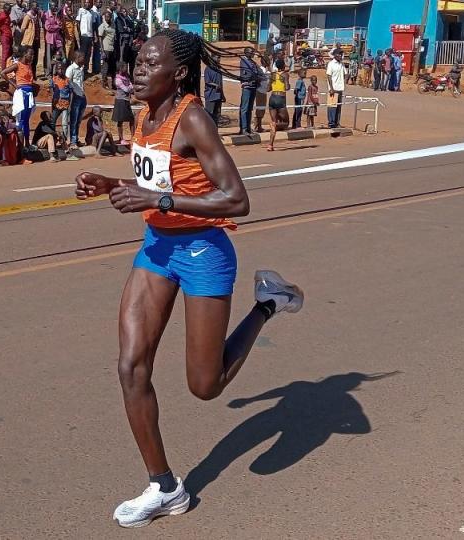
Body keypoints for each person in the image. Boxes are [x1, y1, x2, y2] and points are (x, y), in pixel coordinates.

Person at [74, 28, 304, 529]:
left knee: (205, 385)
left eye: (149, 63)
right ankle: (165, 487)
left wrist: (157, 201)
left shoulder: (193, 118)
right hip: (157, 248)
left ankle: (267, 303)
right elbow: (161, 182)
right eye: (136, 60)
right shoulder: (143, 114)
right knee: (131, 367)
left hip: (203, 252)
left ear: (177, 73)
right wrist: (112, 185)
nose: (137, 69)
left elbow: (237, 199)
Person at [2, 46, 37, 148]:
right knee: (21, 120)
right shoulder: (17, 65)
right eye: (31, 54)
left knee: (26, 120)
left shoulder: (29, 65)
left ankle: (27, 143)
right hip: (22, 94)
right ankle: (19, 145)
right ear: (25, 54)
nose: (32, 56)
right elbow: (3, 73)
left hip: (29, 94)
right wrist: (14, 84)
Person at [266, 60, 289, 151]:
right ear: (283, 66)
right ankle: (275, 125)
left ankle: (270, 145)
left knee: (273, 121)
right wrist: (287, 84)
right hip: (280, 98)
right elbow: (287, 88)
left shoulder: (273, 75)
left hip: (272, 98)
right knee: (286, 123)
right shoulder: (285, 75)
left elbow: (268, 89)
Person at [66, 50, 87, 146]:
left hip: (82, 96)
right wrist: (73, 93)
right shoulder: (71, 69)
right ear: (77, 58)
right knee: (73, 120)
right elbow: (68, 82)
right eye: (82, 57)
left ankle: (76, 139)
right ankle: (73, 141)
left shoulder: (81, 68)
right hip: (75, 97)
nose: (84, 59)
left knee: (78, 120)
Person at [50, 62, 72, 149]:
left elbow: (71, 93)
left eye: (62, 68)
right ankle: (53, 139)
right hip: (56, 104)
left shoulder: (67, 80)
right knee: (52, 122)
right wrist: (53, 103)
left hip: (65, 104)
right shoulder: (54, 79)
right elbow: (52, 90)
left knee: (64, 123)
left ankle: (64, 140)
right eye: (58, 68)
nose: (60, 70)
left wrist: (70, 103)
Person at [237, 47, 259, 135]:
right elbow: (249, 73)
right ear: (246, 53)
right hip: (247, 87)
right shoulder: (244, 61)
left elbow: (256, 72)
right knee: (244, 108)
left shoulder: (252, 62)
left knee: (250, 108)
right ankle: (244, 128)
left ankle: (248, 127)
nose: (253, 54)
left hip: (253, 86)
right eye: (251, 52)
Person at [112, 64, 135, 144]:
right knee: (120, 120)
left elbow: (131, 86)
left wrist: (131, 88)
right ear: (120, 69)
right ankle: (121, 138)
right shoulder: (117, 79)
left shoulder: (127, 77)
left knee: (131, 119)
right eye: (124, 67)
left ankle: (133, 137)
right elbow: (127, 89)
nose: (126, 69)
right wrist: (131, 88)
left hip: (126, 100)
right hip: (120, 100)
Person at [19, 2, 42, 78]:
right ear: (32, 7)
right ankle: (27, 74)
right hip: (29, 41)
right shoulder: (28, 16)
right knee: (29, 58)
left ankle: (33, 74)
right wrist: (22, 39)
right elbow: (22, 28)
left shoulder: (37, 15)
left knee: (35, 58)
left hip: (36, 40)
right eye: (35, 6)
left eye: (37, 6)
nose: (37, 7)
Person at [325, 48, 346, 129]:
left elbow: (345, 73)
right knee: (332, 107)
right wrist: (331, 88)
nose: (340, 56)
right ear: (335, 55)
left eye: (341, 54)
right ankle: (331, 123)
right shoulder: (331, 64)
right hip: (333, 89)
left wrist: (346, 79)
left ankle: (337, 122)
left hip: (340, 88)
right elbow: (329, 76)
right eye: (339, 54)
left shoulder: (342, 64)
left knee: (338, 107)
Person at [76, 0, 96, 75]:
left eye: (89, 3)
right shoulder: (81, 10)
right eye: (86, 2)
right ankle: (80, 70)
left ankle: (86, 70)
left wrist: (94, 36)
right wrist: (79, 34)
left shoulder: (92, 12)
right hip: (83, 36)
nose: (87, 4)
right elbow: (77, 22)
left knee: (88, 54)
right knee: (82, 54)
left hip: (90, 36)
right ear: (84, 3)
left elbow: (93, 25)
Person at [44, 2, 63, 77]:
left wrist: (56, 26)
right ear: (50, 7)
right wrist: (57, 27)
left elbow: (60, 24)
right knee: (49, 57)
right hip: (50, 39)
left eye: (55, 6)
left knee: (56, 56)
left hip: (57, 39)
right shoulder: (47, 15)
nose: (55, 7)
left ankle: (54, 72)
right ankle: (48, 73)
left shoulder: (56, 15)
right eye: (53, 6)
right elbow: (48, 27)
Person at [203, 57, 224, 126]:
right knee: (209, 115)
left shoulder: (218, 69)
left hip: (218, 96)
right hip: (210, 95)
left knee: (216, 115)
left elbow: (221, 83)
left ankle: (215, 132)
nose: (219, 59)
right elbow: (207, 81)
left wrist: (222, 95)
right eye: (217, 58)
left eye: (219, 58)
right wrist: (215, 85)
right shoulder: (208, 69)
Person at [98, 11, 116, 89]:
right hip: (105, 48)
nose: (107, 18)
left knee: (113, 66)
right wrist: (102, 51)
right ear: (104, 17)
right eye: (106, 16)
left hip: (112, 48)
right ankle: (104, 83)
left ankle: (113, 83)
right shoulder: (102, 26)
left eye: (109, 16)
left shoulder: (113, 25)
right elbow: (100, 38)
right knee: (105, 66)